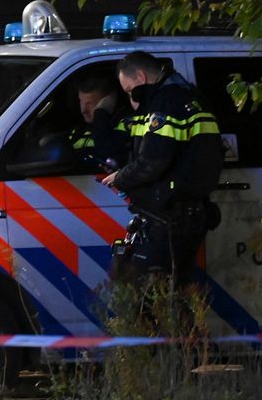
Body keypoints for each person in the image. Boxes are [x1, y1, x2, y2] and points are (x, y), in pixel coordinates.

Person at [102, 51, 223, 283]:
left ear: (140, 76)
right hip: (188, 215)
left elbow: (153, 161)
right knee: (176, 286)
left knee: (143, 286)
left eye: (129, 89)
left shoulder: (166, 103)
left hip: (170, 218)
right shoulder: (191, 97)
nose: (131, 97)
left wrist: (121, 177)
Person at [70, 69, 132, 172]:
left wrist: (100, 113)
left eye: (90, 104)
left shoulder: (125, 125)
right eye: (81, 102)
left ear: (108, 101)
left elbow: (106, 153)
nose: (84, 110)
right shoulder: (78, 128)